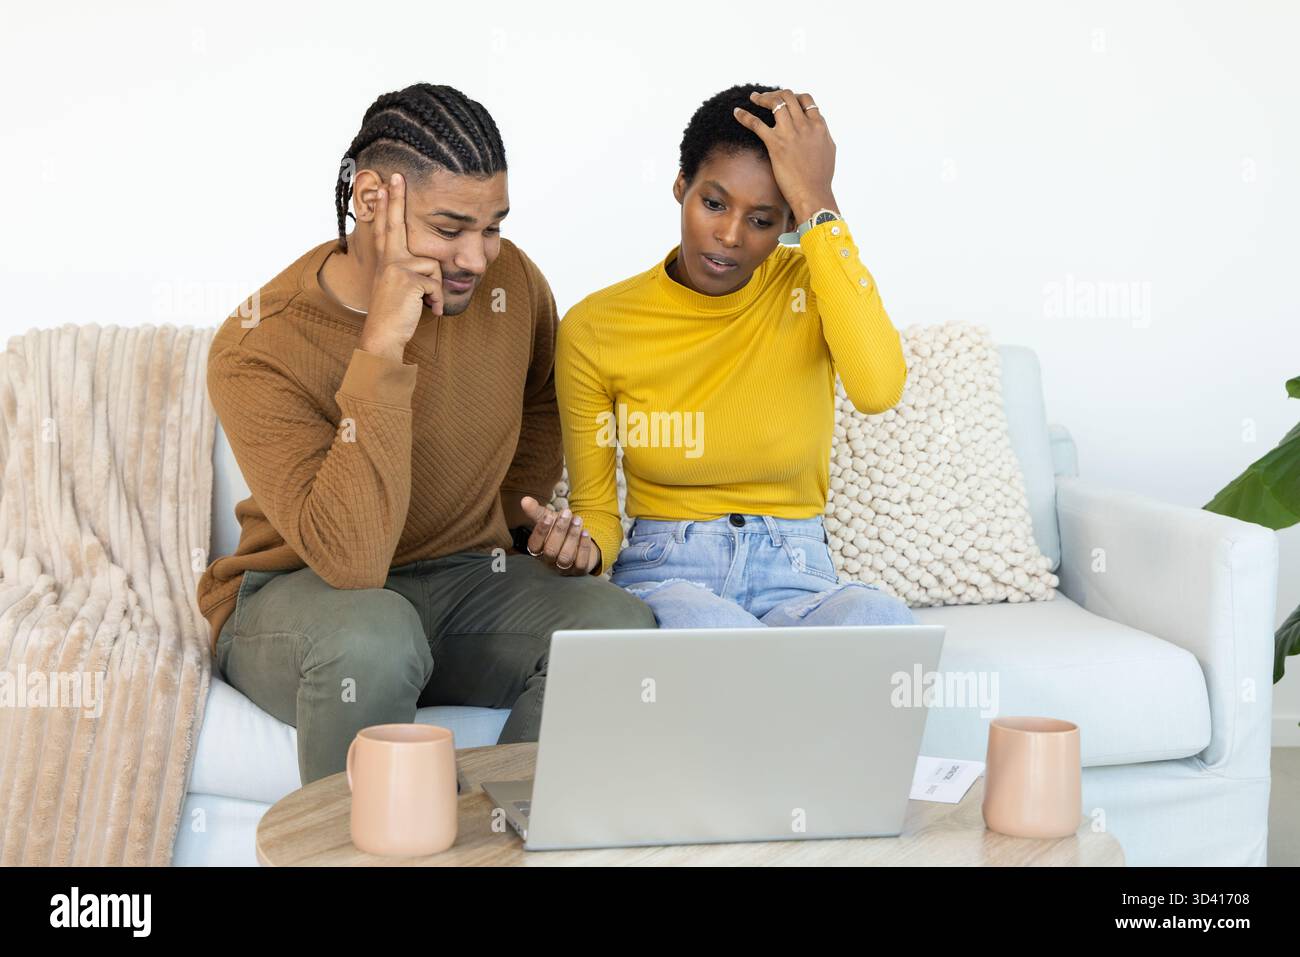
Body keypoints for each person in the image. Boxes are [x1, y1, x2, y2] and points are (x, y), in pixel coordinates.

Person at [197, 83, 656, 785]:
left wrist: (520, 525)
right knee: (374, 640)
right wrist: (382, 346)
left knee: (615, 629)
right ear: (370, 200)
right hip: (306, 597)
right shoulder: (258, 343)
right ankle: (354, 842)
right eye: (449, 228)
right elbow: (352, 561)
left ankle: (499, 826)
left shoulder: (513, 285)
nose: (478, 257)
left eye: (493, 226)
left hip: (466, 581)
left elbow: (540, 397)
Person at [551, 84, 916, 629]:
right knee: (718, 635)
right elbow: (598, 513)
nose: (728, 235)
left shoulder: (814, 285)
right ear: (681, 186)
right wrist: (580, 550)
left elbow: (878, 389)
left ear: (788, 224)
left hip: (798, 571)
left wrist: (818, 200)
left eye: (762, 220)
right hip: (668, 574)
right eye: (714, 203)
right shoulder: (596, 325)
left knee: (881, 622)